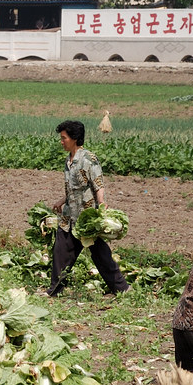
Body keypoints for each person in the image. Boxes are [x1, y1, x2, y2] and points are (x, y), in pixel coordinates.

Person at [46, 120, 129, 297]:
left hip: (86, 219)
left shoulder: (88, 160)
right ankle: (55, 289)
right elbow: (73, 189)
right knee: (61, 252)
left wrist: (102, 204)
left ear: (74, 138)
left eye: (64, 138)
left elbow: (98, 184)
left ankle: (122, 289)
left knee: (101, 255)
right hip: (69, 216)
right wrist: (61, 201)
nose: (61, 142)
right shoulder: (68, 161)